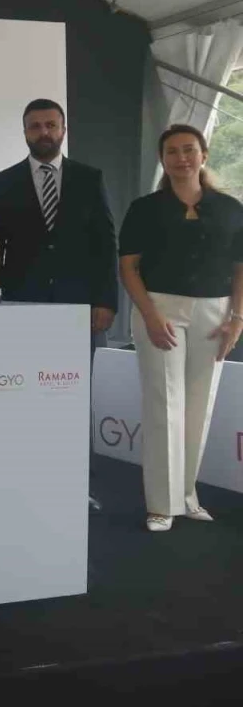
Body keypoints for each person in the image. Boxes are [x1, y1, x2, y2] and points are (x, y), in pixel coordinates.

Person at [0, 98, 117, 510]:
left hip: (78, 307)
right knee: (23, 395)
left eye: (50, 125)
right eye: (35, 126)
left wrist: (105, 300)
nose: (43, 132)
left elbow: (105, 243)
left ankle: (76, 485)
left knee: (73, 397)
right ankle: (26, 480)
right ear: (24, 132)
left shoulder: (89, 178)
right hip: (21, 305)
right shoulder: (2, 182)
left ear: (63, 129)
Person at [119, 124, 243, 532]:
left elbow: (240, 267)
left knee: (199, 406)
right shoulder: (145, 208)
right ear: (163, 159)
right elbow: (128, 267)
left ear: (204, 155)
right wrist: (150, 315)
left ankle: (188, 496)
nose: (181, 158)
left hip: (215, 312)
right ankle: (161, 504)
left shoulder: (231, 209)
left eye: (189, 149)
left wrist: (237, 318)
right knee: (164, 404)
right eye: (172, 151)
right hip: (159, 308)